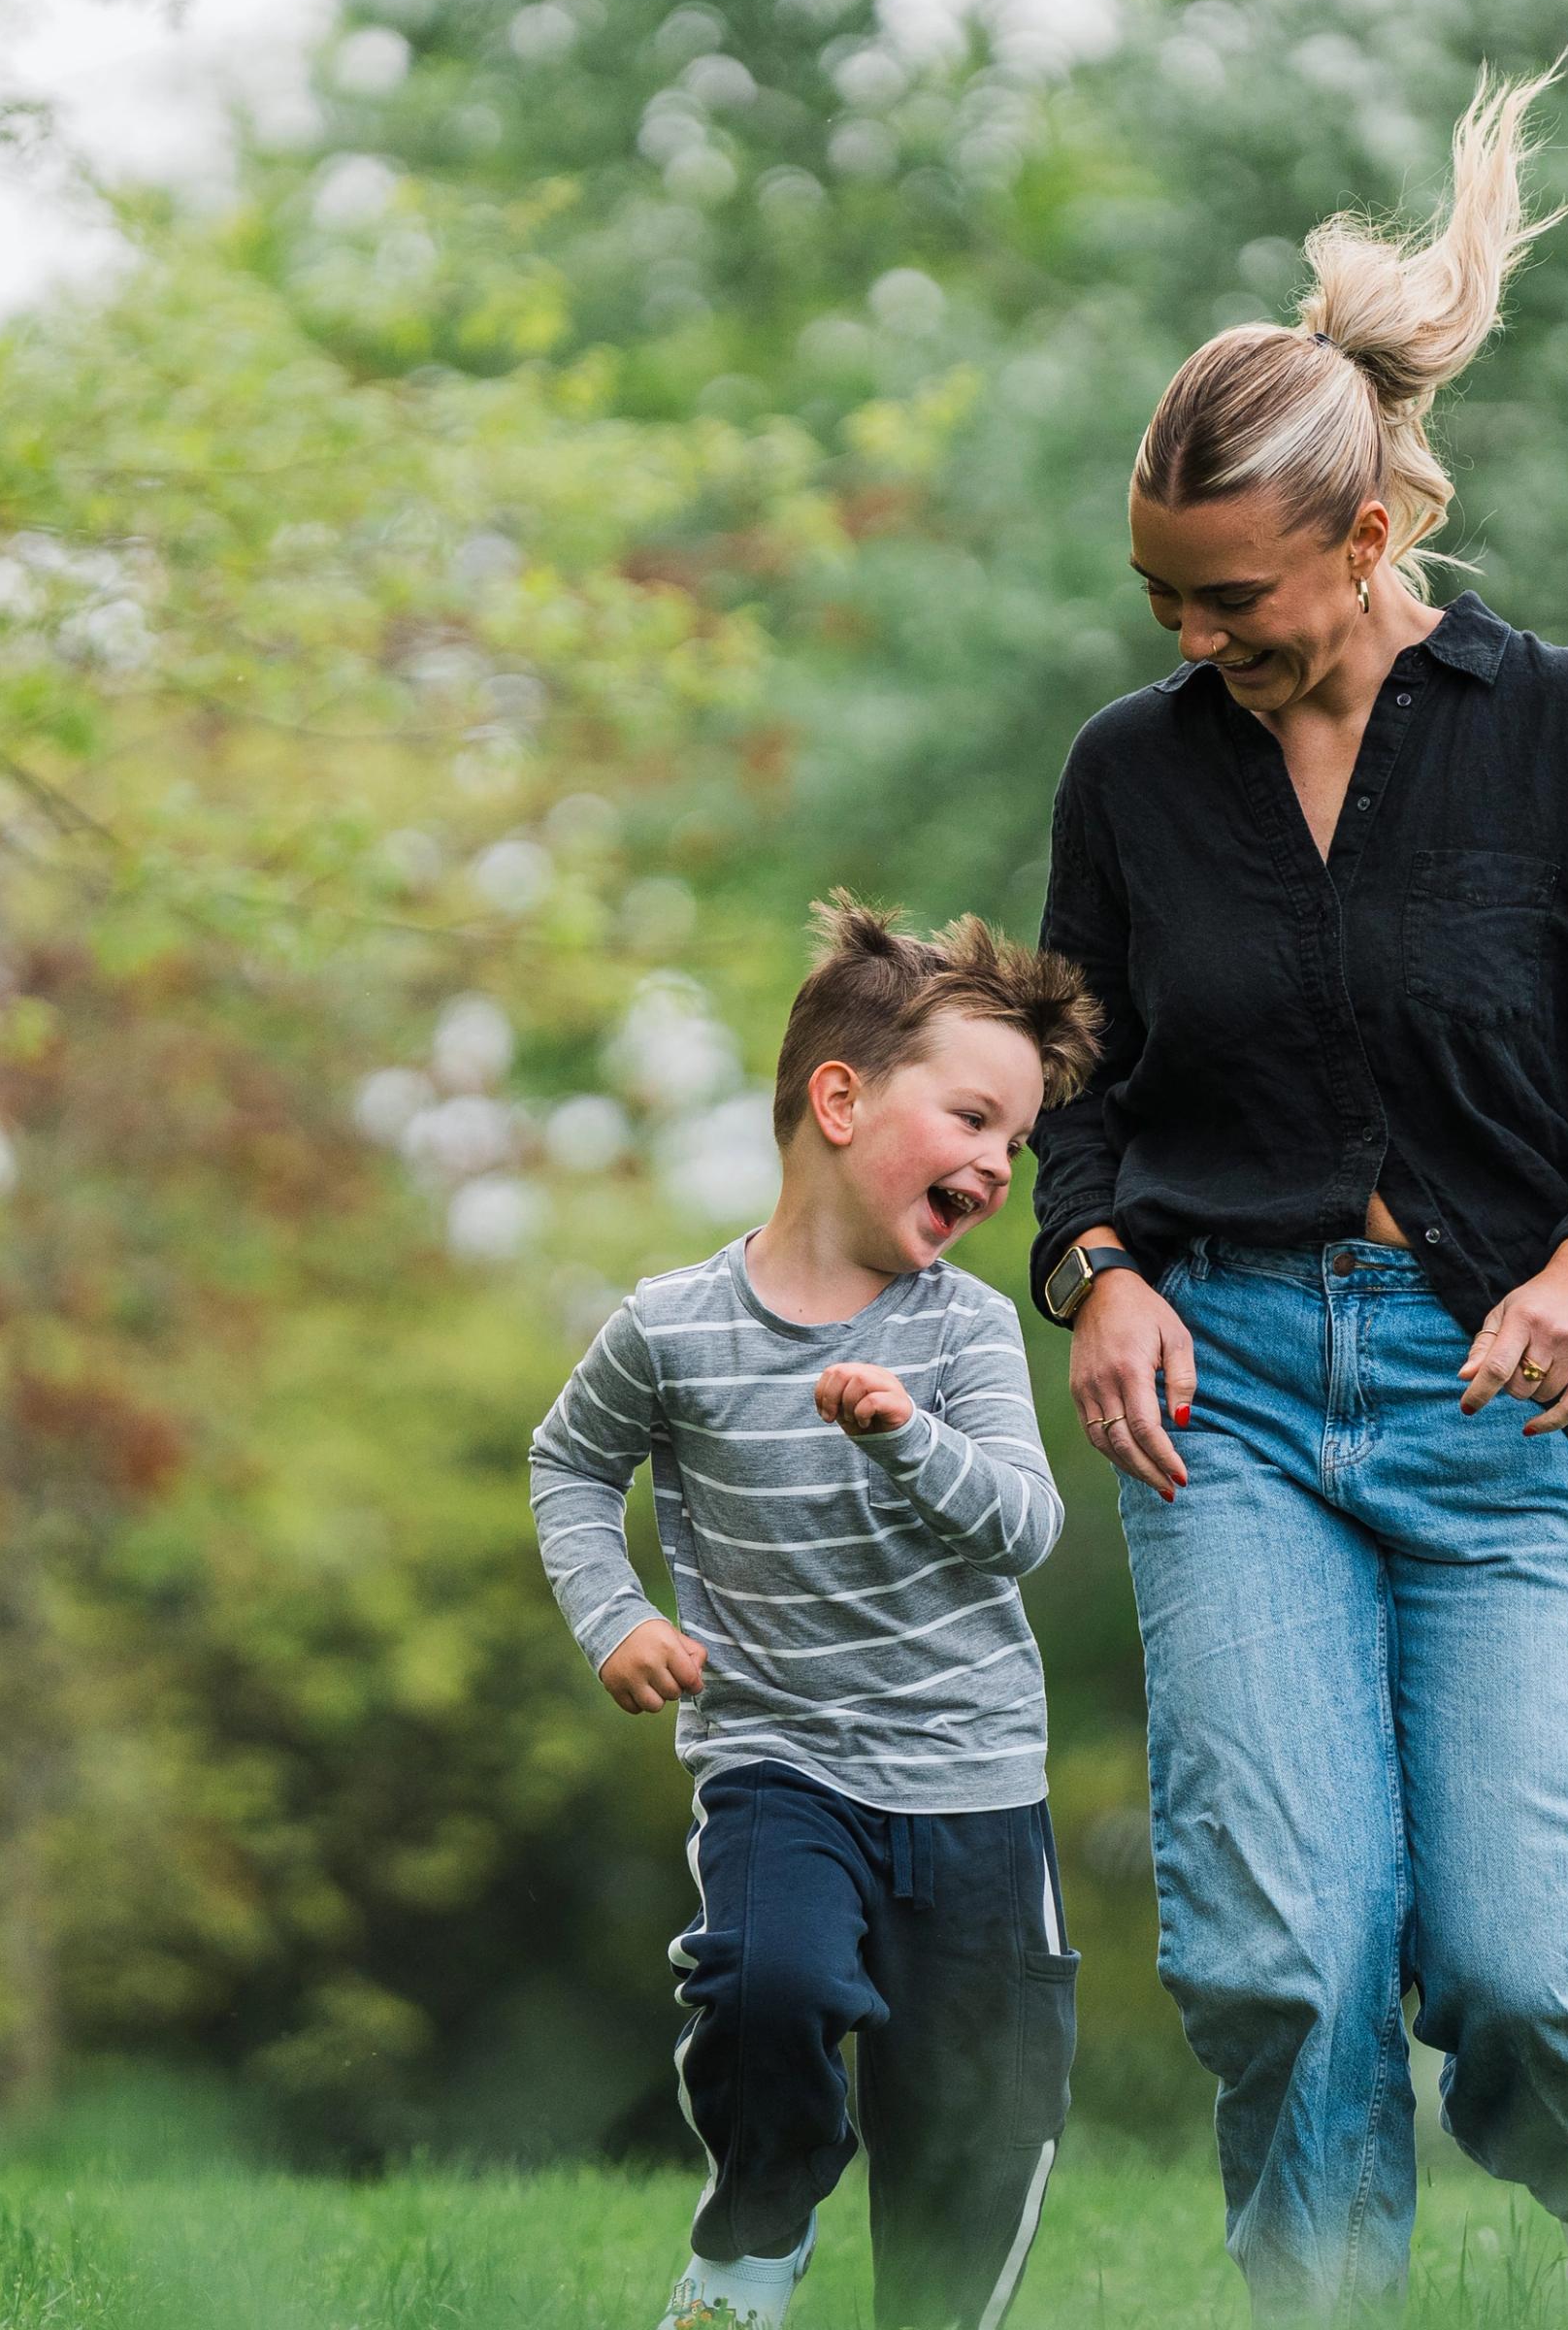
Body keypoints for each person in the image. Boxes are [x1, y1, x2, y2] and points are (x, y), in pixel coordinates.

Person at [1029, 69, 1568, 2326]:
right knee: (1282, 1944)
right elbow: (1083, 1074)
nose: (1186, 639)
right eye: (1156, 594)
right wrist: (1095, 1267)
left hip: (1498, 1397)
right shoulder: (1131, 777)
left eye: (1224, 596)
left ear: (1359, 542)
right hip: (1225, 1391)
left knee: (1520, 1956)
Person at [531, 897, 1106, 2330]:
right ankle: (746, 2257)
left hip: (972, 1788)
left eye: (1017, 1145)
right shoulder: (674, 1326)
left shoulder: (965, 1331)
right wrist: (615, 1616)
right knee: (764, 1990)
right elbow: (567, 1462)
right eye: (974, 1117)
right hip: (777, 1762)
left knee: (979, 2123)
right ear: (839, 1100)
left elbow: (1026, 1525)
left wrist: (910, 1436)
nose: (997, 1163)